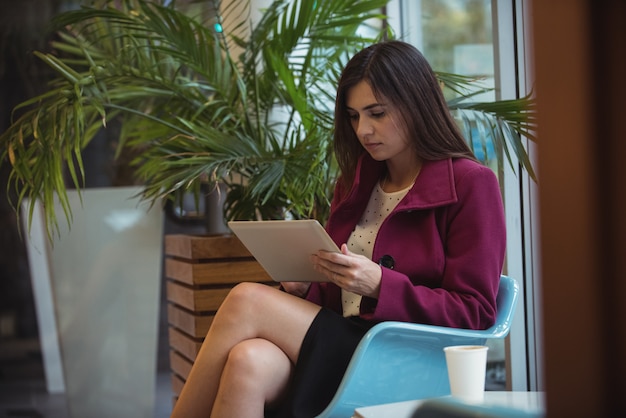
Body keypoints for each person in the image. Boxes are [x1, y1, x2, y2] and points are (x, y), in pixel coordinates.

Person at [170, 40, 506, 418]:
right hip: (344, 341)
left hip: (404, 358)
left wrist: (380, 284)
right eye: (353, 116)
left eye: (377, 113)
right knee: (248, 361)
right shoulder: (355, 183)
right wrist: (309, 287)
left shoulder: (471, 183)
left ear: (417, 104)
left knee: (246, 300)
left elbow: (476, 312)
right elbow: (338, 299)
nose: (364, 130)